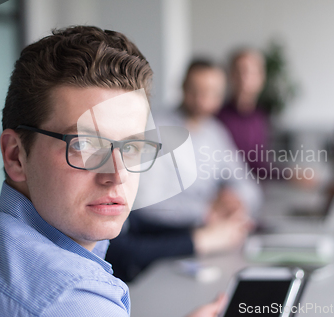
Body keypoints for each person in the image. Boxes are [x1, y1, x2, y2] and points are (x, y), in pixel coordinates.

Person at [0, 26, 223, 317]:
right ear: (16, 156)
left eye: (131, 146)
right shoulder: (73, 300)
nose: (117, 174)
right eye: (85, 144)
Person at [106, 60, 261, 282]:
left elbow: (245, 182)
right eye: (196, 91)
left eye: (211, 92)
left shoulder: (215, 132)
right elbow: (145, 204)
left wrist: (237, 198)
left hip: (212, 239)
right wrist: (205, 212)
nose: (202, 99)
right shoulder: (154, 129)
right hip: (166, 242)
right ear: (183, 88)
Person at [217, 49, 270, 173]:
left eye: (250, 72)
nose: (243, 78)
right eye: (238, 71)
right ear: (230, 76)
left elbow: (259, 164)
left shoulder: (261, 117)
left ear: (261, 77)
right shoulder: (217, 117)